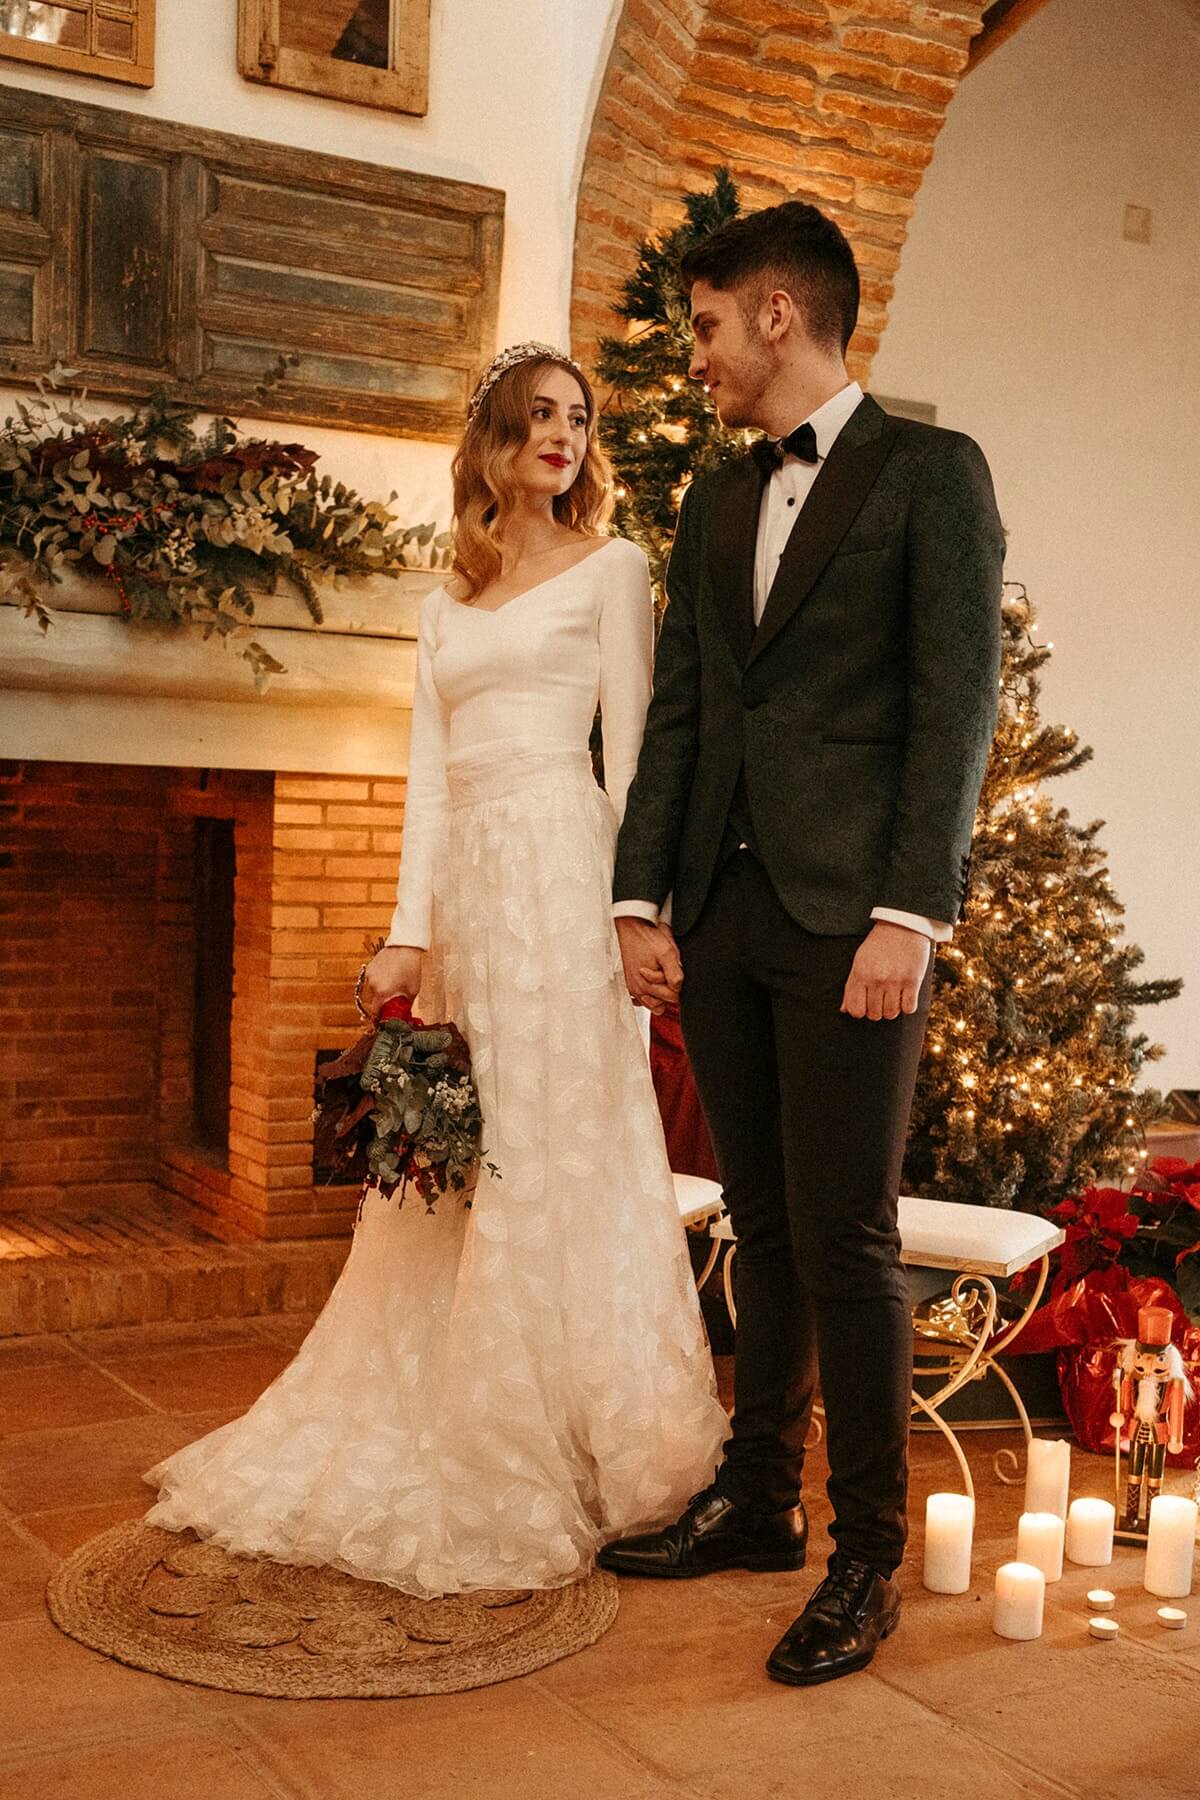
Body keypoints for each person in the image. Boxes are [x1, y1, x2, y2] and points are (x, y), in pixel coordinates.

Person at [145, 343, 727, 1598]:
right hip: (472, 895)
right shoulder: (444, 601)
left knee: (560, 1148)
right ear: (495, 442)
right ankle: (456, 1409)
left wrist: (642, 913)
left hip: (568, 881)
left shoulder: (613, 569)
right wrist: (410, 931)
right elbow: (427, 783)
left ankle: (580, 1435)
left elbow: (636, 759)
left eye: (577, 418)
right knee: (465, 1149)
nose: (563, 435)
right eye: (538, 415)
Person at [598, 203, 1005, 1687]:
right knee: (759, 1227)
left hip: (855, 927)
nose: (696, 356)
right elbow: (686, 713)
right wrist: (642, 899)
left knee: (847, 1239)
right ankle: (759, 1502)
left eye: (707, 326)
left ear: (778, 313)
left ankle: (866, 1560)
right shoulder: (716, 498)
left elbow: (957, 704)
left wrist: (911, 914)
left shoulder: (933, 475)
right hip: (722, 914)